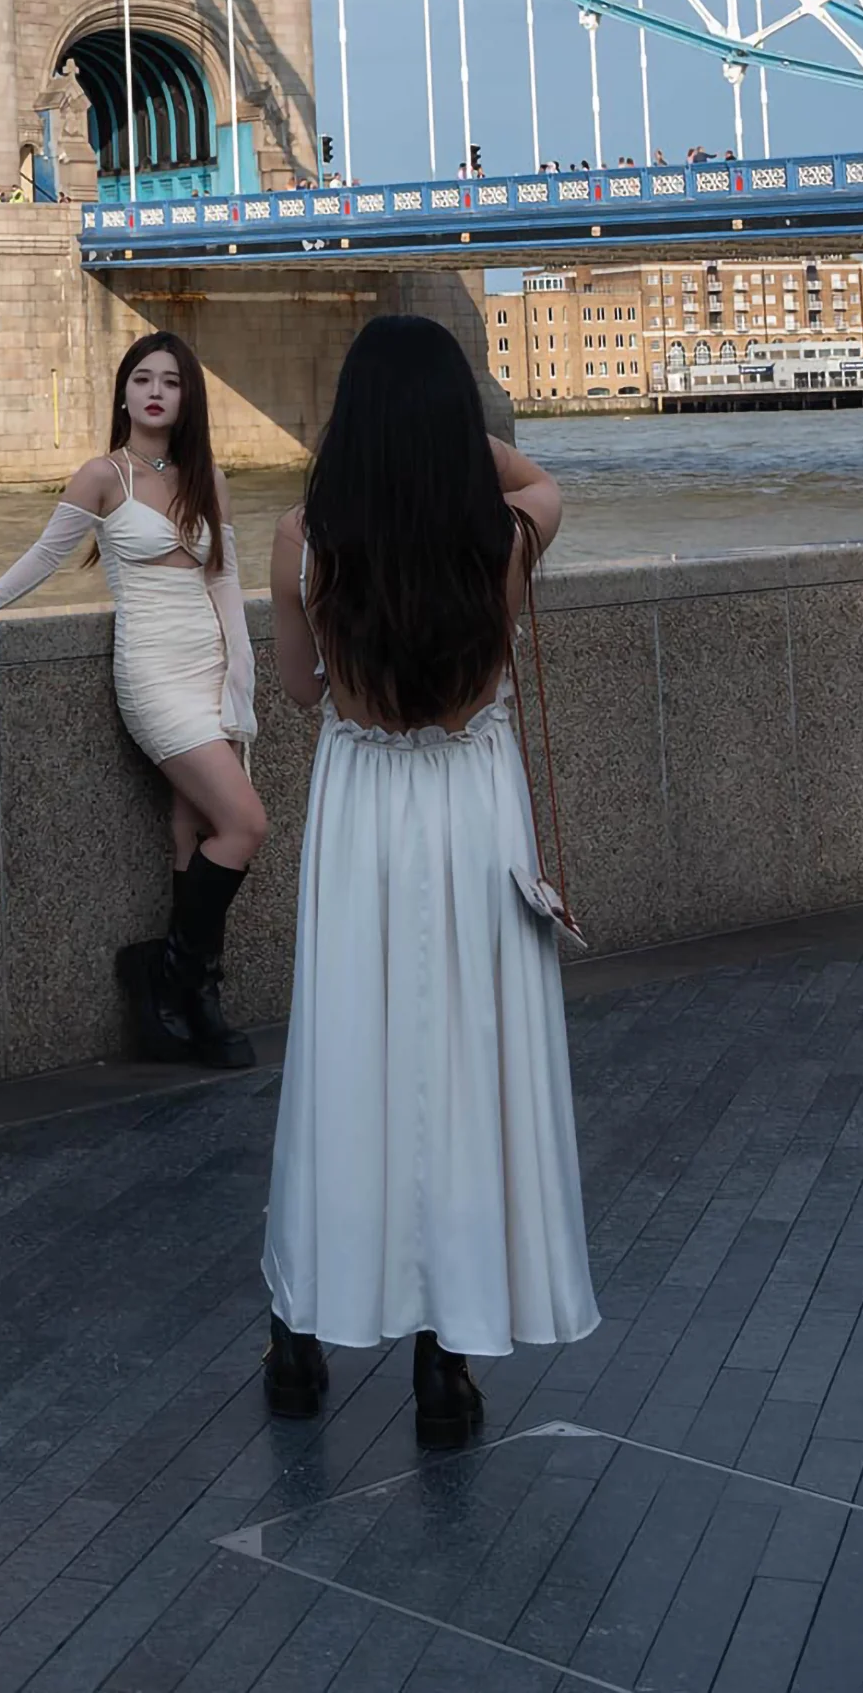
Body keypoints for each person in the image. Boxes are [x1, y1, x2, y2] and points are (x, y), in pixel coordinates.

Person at [261, 316, 598, 1447]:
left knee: (342, 1062)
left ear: (347, 422)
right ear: (460, 424)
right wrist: (468, 446)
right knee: (463, 1069)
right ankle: (443, 1362)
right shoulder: (501, 534)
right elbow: (542, 477)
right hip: (468, 807)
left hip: (363, 815)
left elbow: (302, 692)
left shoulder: (301, 542)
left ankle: (296, 1334)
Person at [0, 331, 262, 1068]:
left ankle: (189, 1003)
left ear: (188, 396)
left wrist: (241, 672)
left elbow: (224, 582)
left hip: (207, 661)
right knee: (246, 823)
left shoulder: (207, 477)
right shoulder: (104, 476)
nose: (156, 390)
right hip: (152, 673)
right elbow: (45, 554)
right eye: (142, 378)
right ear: (124, 393)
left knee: (190, 827)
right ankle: (174, 973)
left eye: (171, 379)